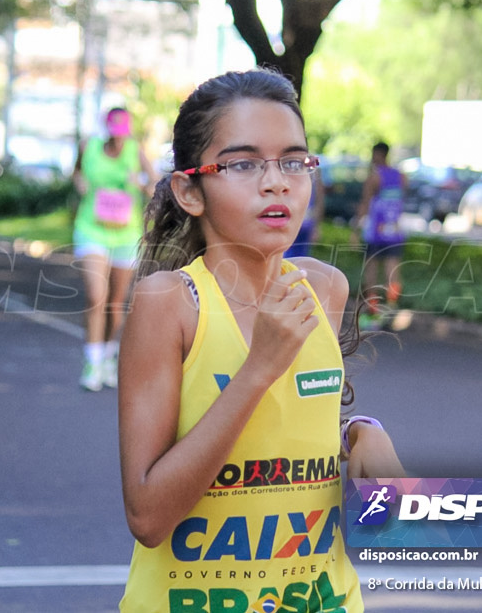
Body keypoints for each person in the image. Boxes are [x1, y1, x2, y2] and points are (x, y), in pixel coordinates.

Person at [117, 69, 402, 611]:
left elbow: (288, 428)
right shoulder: (170, 303)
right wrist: (256, 370)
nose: (277, 182)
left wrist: (360, 434)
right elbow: (148, 516)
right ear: (189, 190)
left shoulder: (325, 288)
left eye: (294, 161)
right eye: (244, 164)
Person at [72, 107, 156, 392]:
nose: (118, 140)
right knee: (97, 295)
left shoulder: (136, 151)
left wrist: (140, 183)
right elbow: (77, 173)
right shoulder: (89, 147)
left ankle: (108, 354)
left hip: (125, 234)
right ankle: (92, 362)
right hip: (91, 229)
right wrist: (80, 182)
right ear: (106, 129)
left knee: (116, 303)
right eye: (114, 133)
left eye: (123, 134)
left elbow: (156, 186)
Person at [353, 141, 407, 328]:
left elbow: (365, 204)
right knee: (393, 272)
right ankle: (391, 310)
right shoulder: (401, 176)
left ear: (378, 154)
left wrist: (355, 231)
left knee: (371, 273)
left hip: (376, 232)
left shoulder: (374, 177)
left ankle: (373, 314)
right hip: (394, 232)